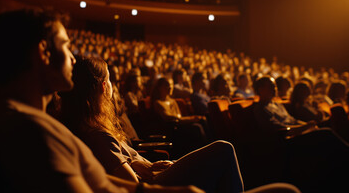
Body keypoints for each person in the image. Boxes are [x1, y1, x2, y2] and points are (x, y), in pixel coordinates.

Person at [0, 8, 204, 193]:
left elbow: (103, 183)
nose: (72, 58)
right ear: (43, 52)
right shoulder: (28, 130)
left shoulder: (39, 121)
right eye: (66, 45)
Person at [58, 56, 245, 193]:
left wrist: (137, 162)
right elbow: (132, 184)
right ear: (103, 86)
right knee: (223, 149)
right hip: (155, 185)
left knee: (217, 160)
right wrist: (145, 168)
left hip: (153, 170)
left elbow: (119, 162)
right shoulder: (97, 134)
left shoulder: (92, 126)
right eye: (110, 79)